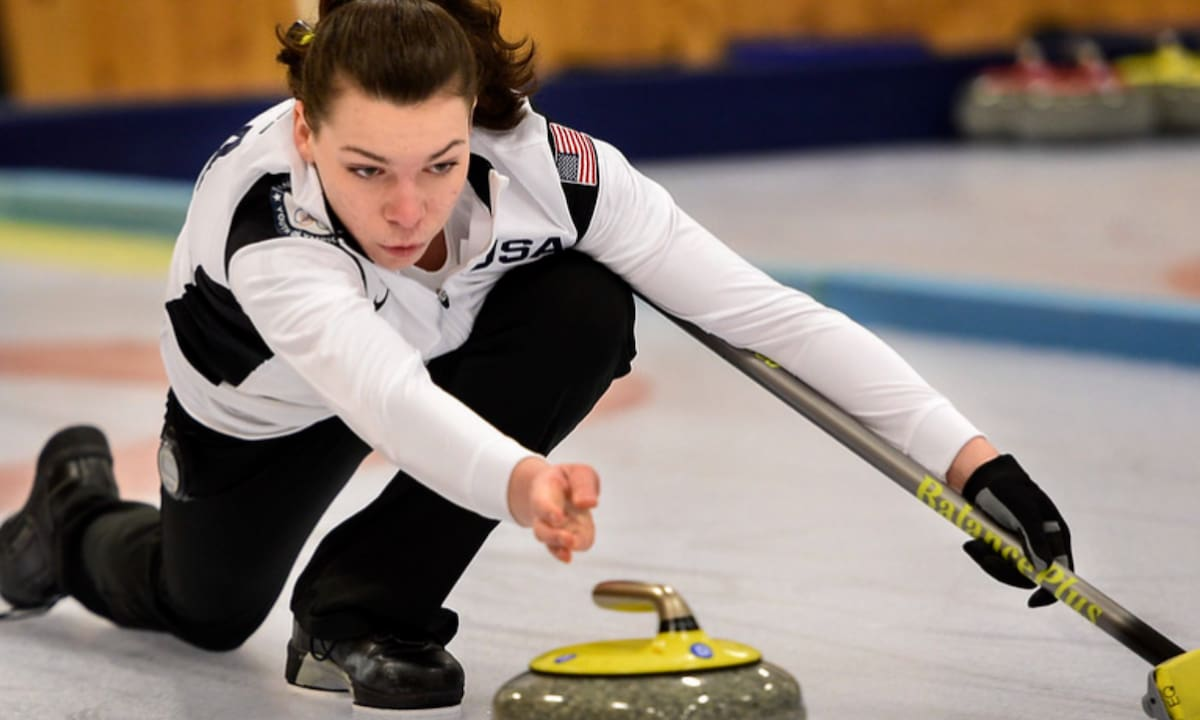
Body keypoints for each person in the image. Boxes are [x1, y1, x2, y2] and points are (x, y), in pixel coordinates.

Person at [0, 0, 1074, 716]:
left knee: (585, 306)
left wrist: (974, 463)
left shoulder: (558, 173)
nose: (408, 209)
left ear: (473, 120)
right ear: (307, 133)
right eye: (368, 171)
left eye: (440, 163)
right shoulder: (269, 228)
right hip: (265, 409)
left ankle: (362, 608)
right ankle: (72, 514)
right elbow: (383, 398)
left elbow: (770, 317)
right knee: (204, 613)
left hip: (434, 352)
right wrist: (520, 481)